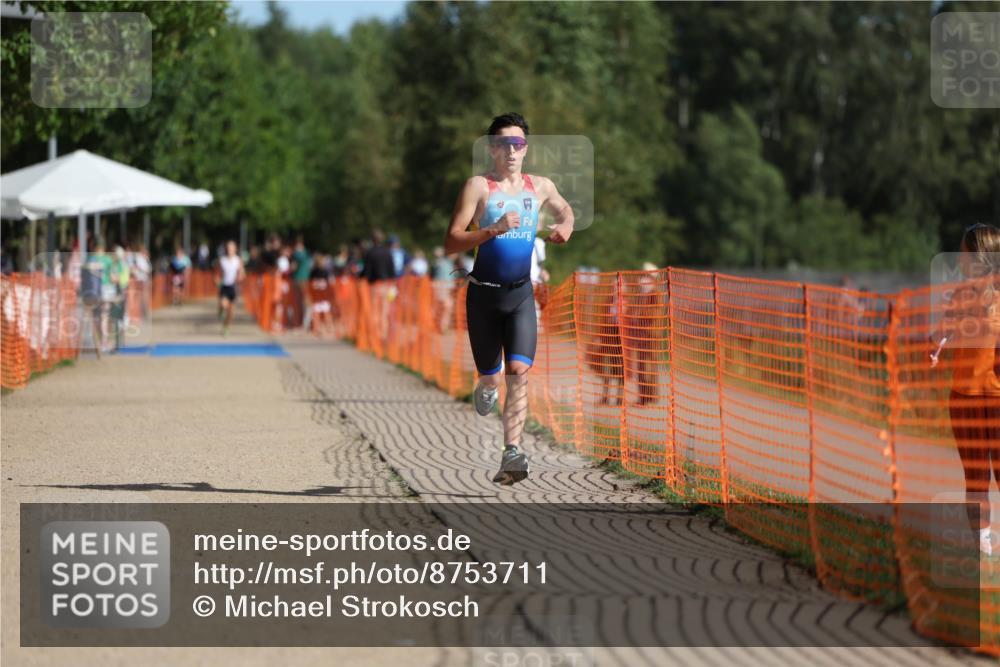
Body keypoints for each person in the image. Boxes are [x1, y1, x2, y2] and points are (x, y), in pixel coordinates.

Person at [444, 112, 574, 485]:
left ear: (526, 149)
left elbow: (565, 209)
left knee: (518, 372)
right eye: (504, 144)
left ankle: (512, 452)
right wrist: (492, 229)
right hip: (483, 298)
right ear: (492, 149)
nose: (511, 151)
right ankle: (486, 386)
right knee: (492, 376)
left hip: (520, 296)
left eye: (518, 144)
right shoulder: (478, 187)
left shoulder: (540, 187)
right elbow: (451, 241)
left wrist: (566, 225)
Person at [932, 223, 1000, 555]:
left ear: (980, 258)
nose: (959, 258)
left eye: (963, 252)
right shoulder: (959, 295)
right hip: (964, 397)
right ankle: (983, 545)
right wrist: (936, 345)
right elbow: (944, 329)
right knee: (975, 476)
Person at [217, 240, 245, 336]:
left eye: (232, 248)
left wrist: (240, 277)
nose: (230, 250)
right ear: (226, 249)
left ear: (235, 249)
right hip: (224, 286)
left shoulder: (238, 260)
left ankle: (226, 328)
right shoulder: (222, 260)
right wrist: (217, 280)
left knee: (230, 312)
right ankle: (221, 310)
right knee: (223, 304)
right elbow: (218, 272)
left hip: (233, 287)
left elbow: (242, 273)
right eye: (228, 248)